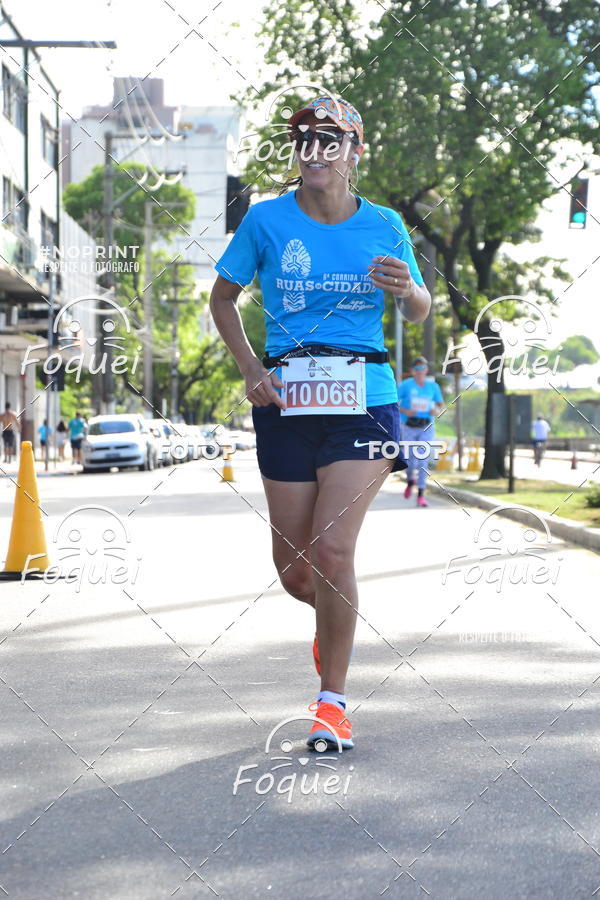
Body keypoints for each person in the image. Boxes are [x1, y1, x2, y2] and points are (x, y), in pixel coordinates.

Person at [210, 96, 431, 751]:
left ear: (354, 151)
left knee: (333, 553)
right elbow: (222, 298)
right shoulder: (265, 220)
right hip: (287, 400)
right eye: (304, 138)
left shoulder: (385, 223)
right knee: (297, 572)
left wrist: (407, 289)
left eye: (331, 139)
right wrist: (250, 367)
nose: (316, 150)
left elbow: (419, 307)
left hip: (365, 396)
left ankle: (332, 702)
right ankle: (334, 623)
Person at [397, 357, 443, 507]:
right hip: (409, 426)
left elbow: (440, 404)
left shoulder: (433, 386)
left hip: (426, 426)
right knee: (410, 461)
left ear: (426, 369)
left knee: (423, 459)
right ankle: (410, 480)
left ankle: (421, 494)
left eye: (422, 368)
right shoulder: (406, 385)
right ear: (412, 371)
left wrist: (436, 410)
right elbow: (393, 403)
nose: (419, 371)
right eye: (416, 369)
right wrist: (406, 411)